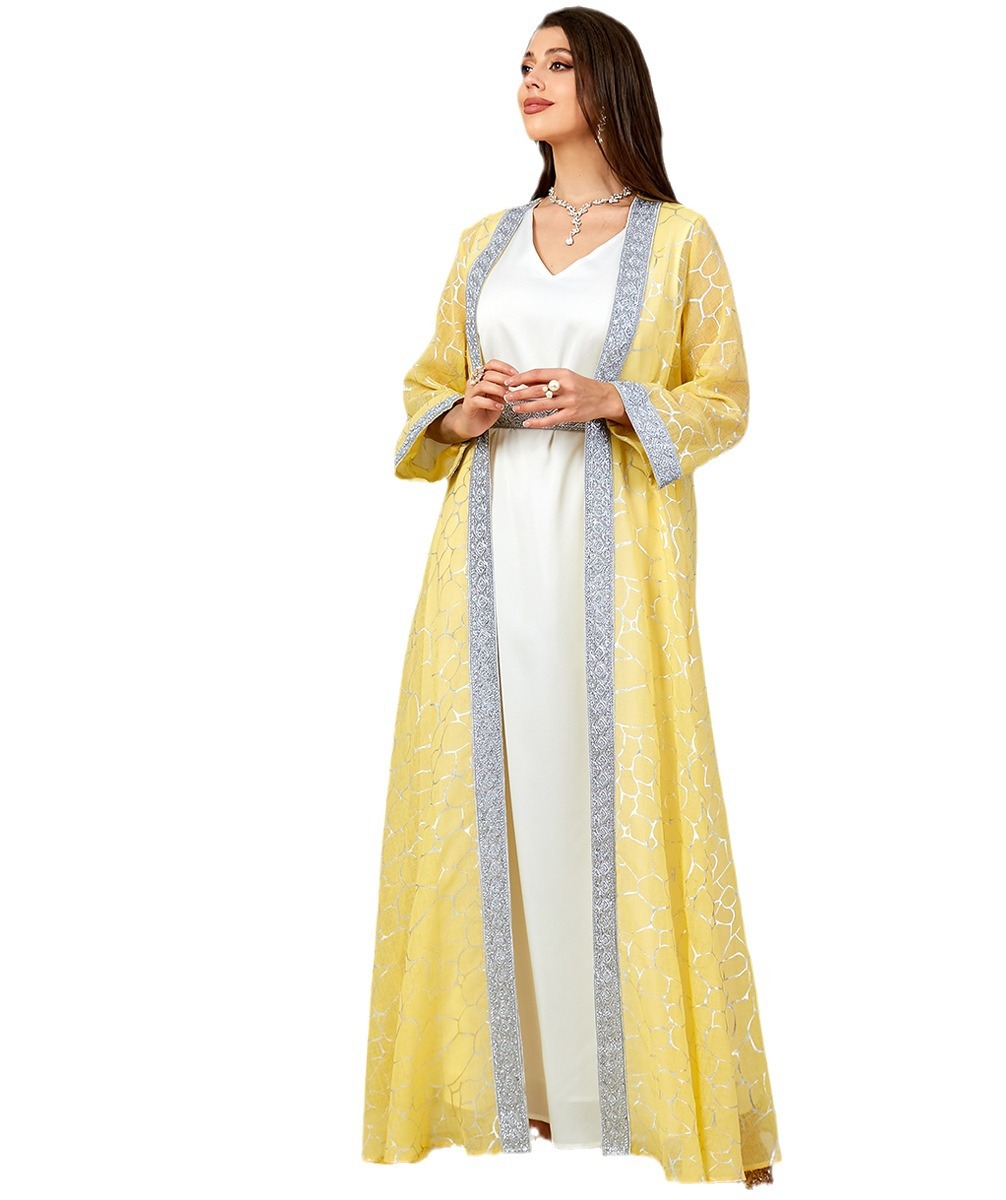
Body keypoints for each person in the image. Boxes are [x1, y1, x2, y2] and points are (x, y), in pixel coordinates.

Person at [361, 6, 781, 1188]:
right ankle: (527, 1085)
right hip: (485, 559)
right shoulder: (484, 240)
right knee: (491, 789)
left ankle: (664, 1101)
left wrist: (614, 400)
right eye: (523, 65)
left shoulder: (679, 240)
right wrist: (464, 412)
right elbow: (425, 389)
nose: (532, 82)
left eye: (557, 63)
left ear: (609, 84)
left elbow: (726, 399)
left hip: (614, 572)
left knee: (620, 789)